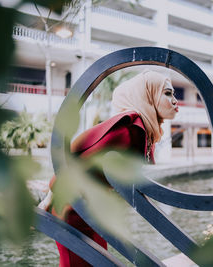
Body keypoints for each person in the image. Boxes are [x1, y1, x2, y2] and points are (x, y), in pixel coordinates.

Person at [47, 70, 179, 267]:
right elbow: (76, 160)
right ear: (147, 97)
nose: (175, 100)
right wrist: (48, 198)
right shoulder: (127, 130)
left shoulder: (140, 130)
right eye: (167, 93)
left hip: (91, 210)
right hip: (75, 210)